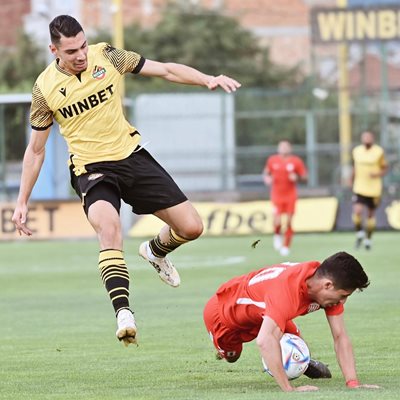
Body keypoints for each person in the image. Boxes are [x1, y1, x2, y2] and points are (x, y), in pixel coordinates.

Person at [11, 15, 241, 347]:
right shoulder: (44, 89)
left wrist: (206, 79)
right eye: (72, 50)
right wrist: (22, 201)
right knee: (110, 228)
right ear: (54, 50)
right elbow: (35, 151)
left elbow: (164, 70)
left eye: (83, 45)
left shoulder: (107, 56)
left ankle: (155, 251)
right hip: (91, 169)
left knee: (192, 227)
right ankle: (124, 313)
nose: (81, 55)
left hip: (132, 156)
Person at [203, 251, 380, 392]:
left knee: (294, 338)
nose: (342, 302)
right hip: (224, 316)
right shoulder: (287, 291)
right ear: (327, 285)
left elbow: (340, 336)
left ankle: (301, 361)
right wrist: (289, 389)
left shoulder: (321, 282)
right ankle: (223, 351)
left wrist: (353, 383)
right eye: (343, 296)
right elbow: (264, 341)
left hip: (267, 311)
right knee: (233, 357)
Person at [263, 140, 307, 256]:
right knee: (277, 220)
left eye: (286, 147)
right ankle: (277, 234)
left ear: (290, 149)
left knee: (288, 221)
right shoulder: (272, 160)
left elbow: (305, 177)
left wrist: (296, 177)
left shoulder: (296, 161)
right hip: (277, 195)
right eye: (281, 147)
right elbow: (266, 173)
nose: (283, 149)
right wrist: (267, 178)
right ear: (278, 148)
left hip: (290, 196)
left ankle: (286, 246)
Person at [351, 131, 388, 250]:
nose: (366, 139)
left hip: (373, 188)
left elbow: (385, 168)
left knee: (370, 214)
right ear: (362, 139)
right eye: (364, 137)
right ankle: (359, 233)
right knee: (357, 210)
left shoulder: (379, 151)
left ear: (373, 139)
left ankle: (368, 239)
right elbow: (355, 167)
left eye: (369, 137)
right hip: (359, 186)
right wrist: (351, 179)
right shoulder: (356, 151)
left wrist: (377, 174)